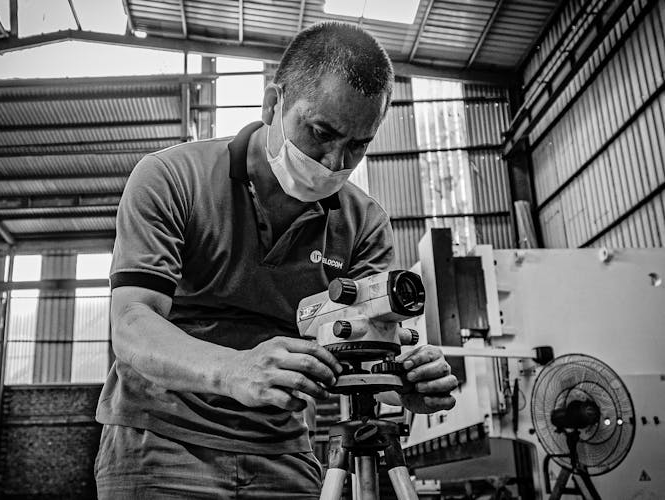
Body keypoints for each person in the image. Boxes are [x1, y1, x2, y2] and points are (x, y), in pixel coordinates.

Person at [95, 21, 458, 499]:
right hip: (160, 445)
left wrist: (404, 382)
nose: (335, 162)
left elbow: (366, 354)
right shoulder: (172, 178)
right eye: (322, 132)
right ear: (273, 104)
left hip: (285, 452)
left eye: (358, 145)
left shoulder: (363, 222)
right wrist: (234, 369)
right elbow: (132, 323)